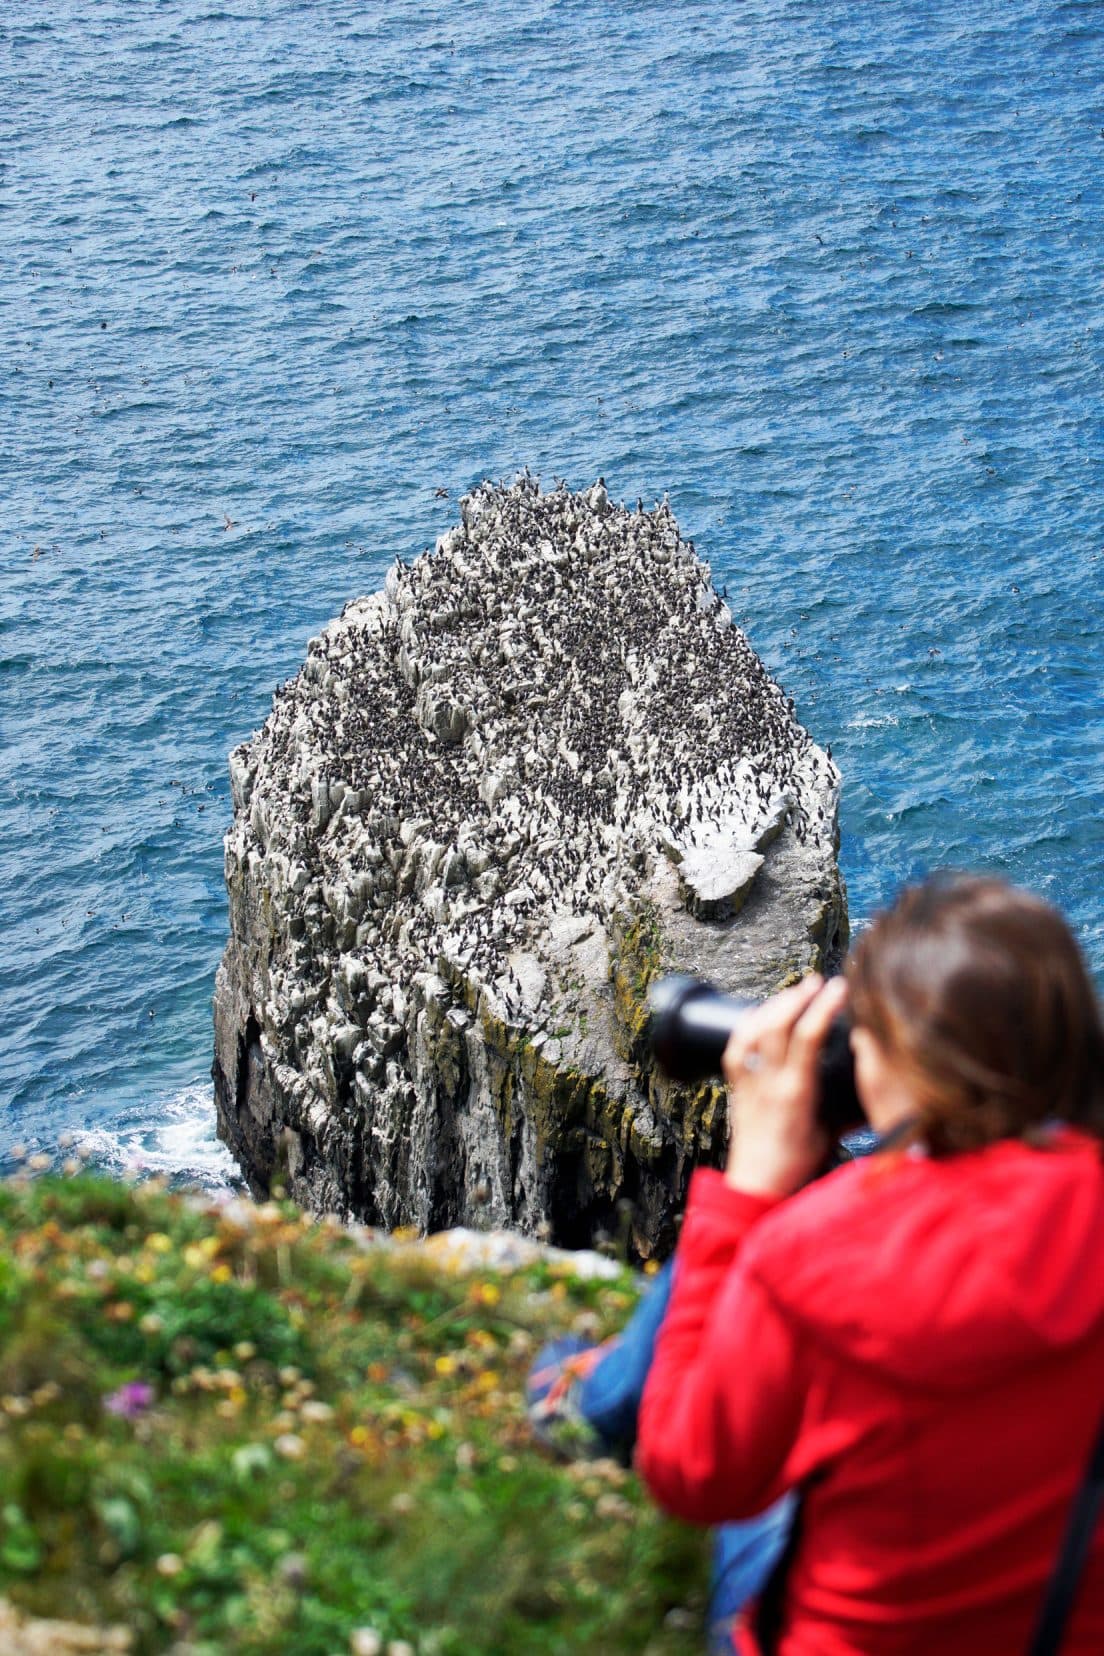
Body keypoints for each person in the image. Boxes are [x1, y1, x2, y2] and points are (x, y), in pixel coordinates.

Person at [529, 874, 1104, 1653]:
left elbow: (690, 1472)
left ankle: (590, 1401)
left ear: (878, 1063)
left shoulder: (810, 1251)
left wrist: (752, 1193)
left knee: (771, 1476)